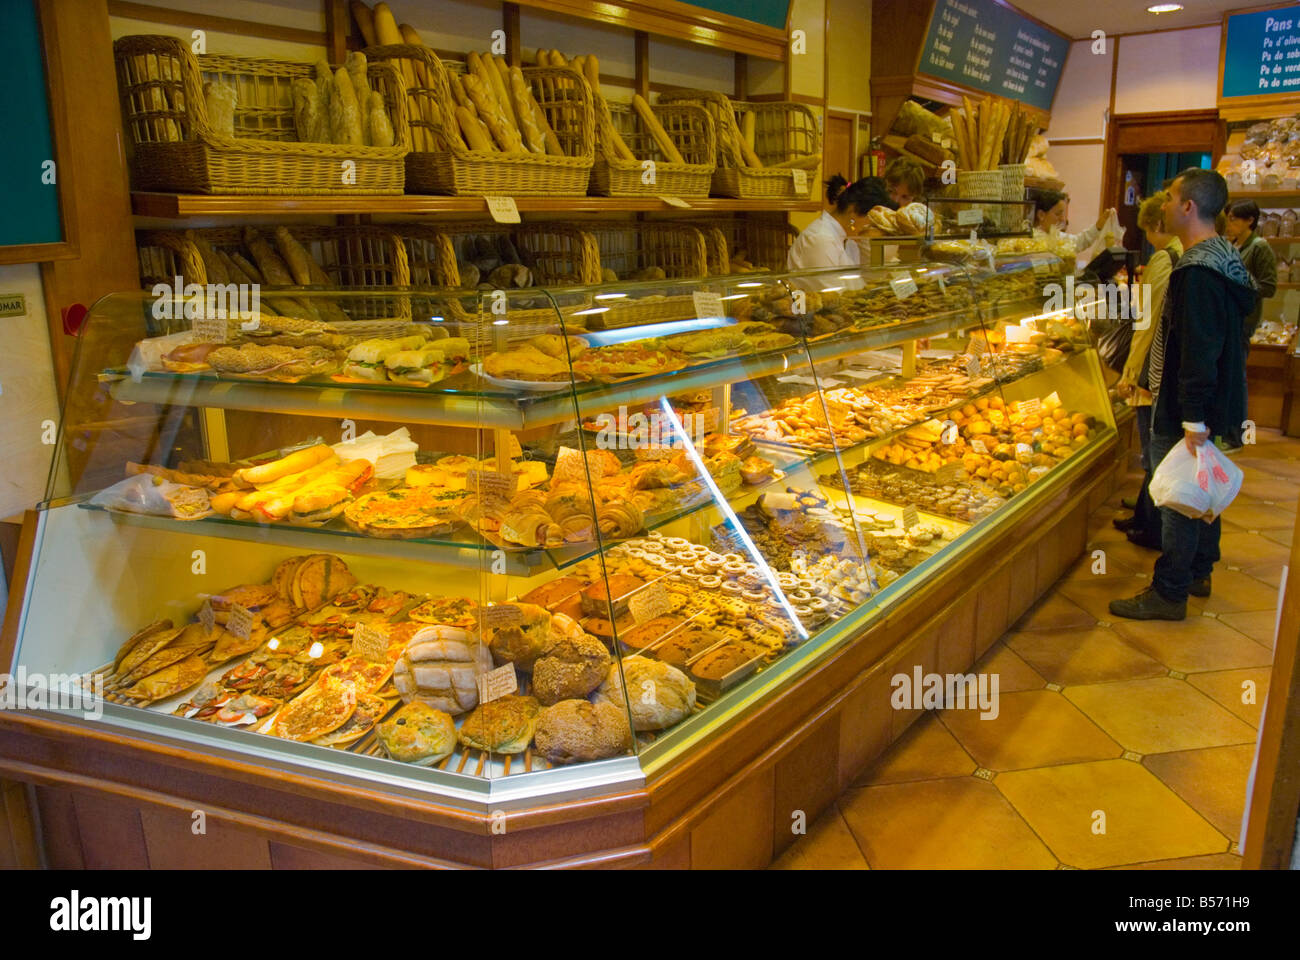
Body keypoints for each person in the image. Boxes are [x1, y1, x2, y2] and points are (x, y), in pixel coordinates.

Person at [1109, 168, 1255, 621]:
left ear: (1189, 206)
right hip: (1209, 402)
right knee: (1202, 484)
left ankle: (1169, 591)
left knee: (1176, 497)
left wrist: (1192, 415)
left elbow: (1199, 348)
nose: (1164, 204)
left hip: (1184, 405)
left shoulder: (1196, 272)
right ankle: (1198, 571)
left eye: (1171, 197)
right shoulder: (1224, 257)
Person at [1112, 192, 1182, 548]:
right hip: (1170, 369)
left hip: (1152, 372)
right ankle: (1146, 515)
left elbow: (1146, 322)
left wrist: (1130, 370)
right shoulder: (1186, 252)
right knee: (1160, 451)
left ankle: (1152, 529)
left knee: (1154, 450)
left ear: (1157, 224)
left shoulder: (1164, 259)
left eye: (1147, 230)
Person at [786, 174, 888, 270]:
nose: (869, 227)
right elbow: (828, 286)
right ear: (853, 211)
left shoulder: (848, 240)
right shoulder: (820, 239)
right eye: (871, 221)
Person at [1032, 189, 1118, 254]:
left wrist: (1098, 226)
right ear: (1041, 215)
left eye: (1063, 214)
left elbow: (1079, 242)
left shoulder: (1058, 237)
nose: (1062, 219)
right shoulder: (1030, 241)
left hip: (1067, 278)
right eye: (1058, 214)